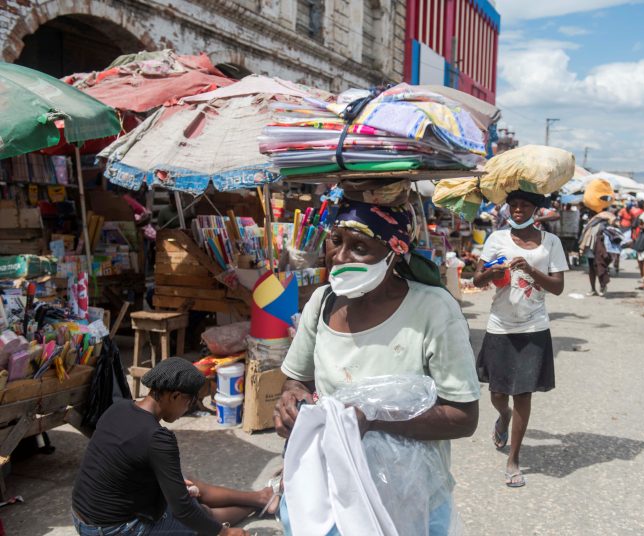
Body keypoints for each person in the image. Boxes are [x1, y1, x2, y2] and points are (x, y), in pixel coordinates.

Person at [274, 199, 480, 532]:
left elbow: (463, 417)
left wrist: (373, 418)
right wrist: (291, 401)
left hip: (408, 500)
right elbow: (296, 380)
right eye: (336, 241)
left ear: (393, 251)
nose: (340, 257)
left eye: (359, 247)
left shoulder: (433, 310)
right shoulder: (321, 302)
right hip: (329, 492)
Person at [72, 358, 279, 536]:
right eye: (190, 401)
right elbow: (184, 511)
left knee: (189, 486)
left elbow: (119, 462)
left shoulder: (118, 408)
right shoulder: (158, 439)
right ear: (175, 396)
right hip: (114, 530)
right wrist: (225, 533)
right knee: (202, 514)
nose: (187, 408)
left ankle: (261, 498)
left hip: (81, 516)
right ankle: (258, 503)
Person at [473, 190, 567, 488]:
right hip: (500, 324)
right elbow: (476, 279)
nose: (517, 210)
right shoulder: (495, 239)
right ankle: (503, 417)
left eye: (524, 205)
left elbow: (557, 287)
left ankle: (513, 459)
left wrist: (530, 269)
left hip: (534, 326)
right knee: (499, 393)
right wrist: (492, 272)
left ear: (536, 209)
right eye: (513, 205)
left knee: (523, 392)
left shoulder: (550, 242)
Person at [579, 209, 617, 296]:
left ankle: (602, 286)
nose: (592, 215)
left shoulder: (606, 221)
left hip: (602, 248)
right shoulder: (590, 223)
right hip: (590, 247)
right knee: (592, 268)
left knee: (600, 266)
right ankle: (593, 289)